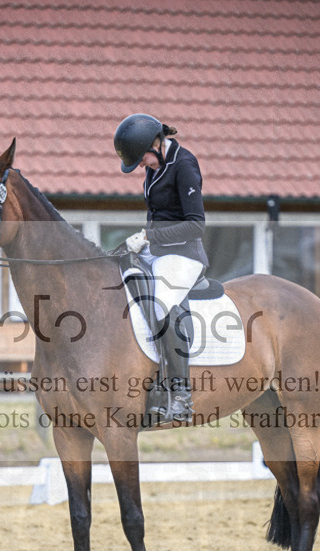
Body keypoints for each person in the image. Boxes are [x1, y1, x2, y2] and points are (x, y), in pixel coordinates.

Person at [113, 113, 209, 424]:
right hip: (158, 251)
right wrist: (139, 244)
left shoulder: (184, 164)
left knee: (163, 305)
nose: (141, 166)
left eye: (141, 159)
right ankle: (149, 377)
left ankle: (181, 393)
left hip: (184, 254)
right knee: (125, 280)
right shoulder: (155, 168)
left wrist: (149, 237)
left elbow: (196, 225)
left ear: (156, 144)